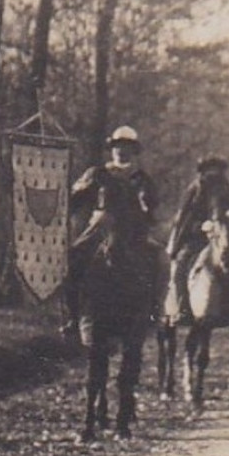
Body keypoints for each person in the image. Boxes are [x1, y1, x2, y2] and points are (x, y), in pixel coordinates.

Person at [63, 125, 158, 340]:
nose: (121, 151)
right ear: (111, 149)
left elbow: (152, 206)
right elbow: (75, 199)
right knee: (74, 256)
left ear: (134, 151)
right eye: (117, 146)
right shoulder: (98, 174)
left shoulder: (142, 178)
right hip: (103, 225)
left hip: (134, 229)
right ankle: (73, 315)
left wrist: (145, 203)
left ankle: (154, 313)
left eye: (127, 147)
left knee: (160, 260)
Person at [165, 154, 229, 325]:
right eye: (210, 170)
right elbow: (184, 218)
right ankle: (182, 308)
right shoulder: (195, 189)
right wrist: (201, 226)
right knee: (180, 266)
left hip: (223, 238)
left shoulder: (225, 189)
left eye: (217, 170)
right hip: (196, 240)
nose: (214, 174)